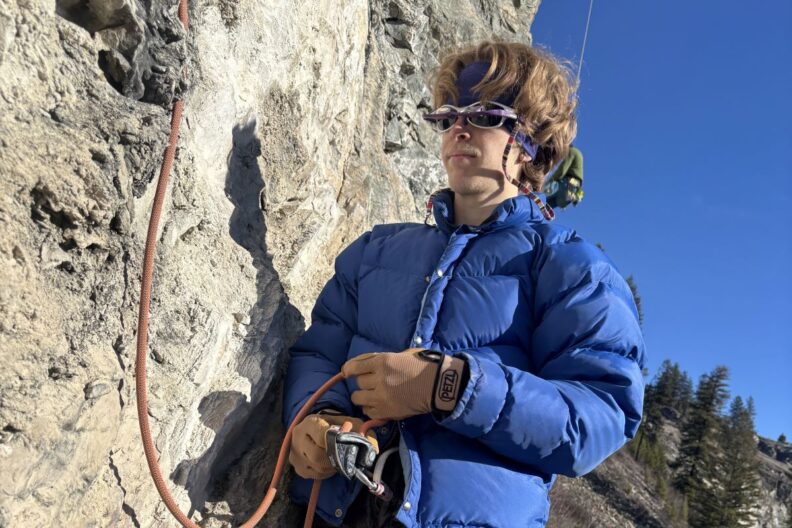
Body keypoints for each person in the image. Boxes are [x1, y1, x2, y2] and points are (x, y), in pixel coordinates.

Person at [282, 40, 646, 528]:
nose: (459, 126)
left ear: (528, 140)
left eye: (485, 114)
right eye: (450, 113)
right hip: (331, 512)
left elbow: (601, 412)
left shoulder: (570, 267)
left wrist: (447, 386)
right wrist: (314, 419)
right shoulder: (376, 250)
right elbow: (319, 352)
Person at [542, 145, 584, 209]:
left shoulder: (571, 151)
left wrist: (549, 181)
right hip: (572, 191)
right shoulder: (578, 153)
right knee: (544, 208)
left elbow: (562, 171)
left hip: (567, 184)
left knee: (539, 193)